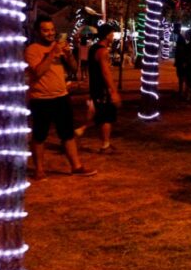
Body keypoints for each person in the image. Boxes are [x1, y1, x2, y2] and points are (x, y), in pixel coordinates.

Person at [25, 15, 96, 179]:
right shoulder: (32, 50)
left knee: (67, 134)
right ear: (37, 32)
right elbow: (38, 71)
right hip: (40, 99)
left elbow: (73, 69)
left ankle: (76, 166)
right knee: (39, 135)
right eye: (45, 30)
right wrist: (52, 53)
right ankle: (39, 170)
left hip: (61, 97)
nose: (50, 33)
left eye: (51, 30)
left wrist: (68, 55)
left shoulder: (58, 47)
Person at [88, 23, 121, 153]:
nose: (113, 36)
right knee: (107, 117)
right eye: (112, 34)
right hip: (102, 89)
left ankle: (105, 143)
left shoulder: (93, 48)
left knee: (100, 115)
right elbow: (106, 72)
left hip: (95, 87)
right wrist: (113, 91)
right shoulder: (103, 51)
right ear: (107, 36)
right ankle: (105, 145)